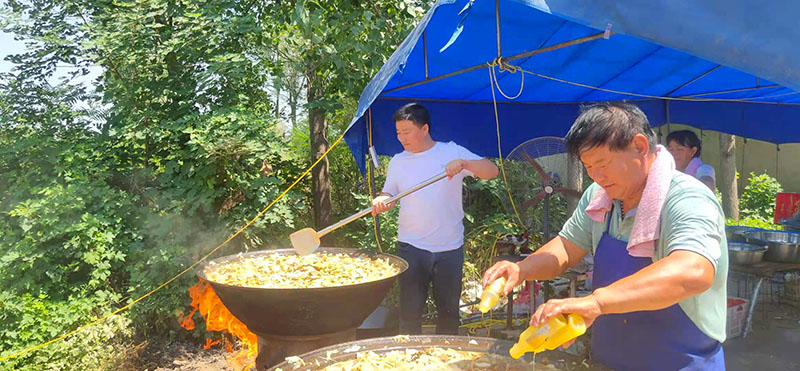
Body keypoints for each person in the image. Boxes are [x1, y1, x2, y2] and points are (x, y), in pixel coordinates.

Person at [482, 103, 728, 370]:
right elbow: (566, 247)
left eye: (603, 163)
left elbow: (692, 271)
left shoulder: (687, 198)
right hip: (611, 359)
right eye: (588, 166)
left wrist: (596, 302)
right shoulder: (601, 198)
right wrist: (521, 269)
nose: (597, 177)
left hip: (680, 361)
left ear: (640, 146)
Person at [372, 103, 498, 335]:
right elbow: (388, 192)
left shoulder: (451, 152)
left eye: (406, 132)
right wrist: (382, 201)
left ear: (424, 129)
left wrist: (465, 164)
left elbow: (492, 171)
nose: (401, 138)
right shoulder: (398, 161)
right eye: (398, 132)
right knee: (409, 316)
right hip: (411, 248)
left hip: (449, 248)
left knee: (449, 316)